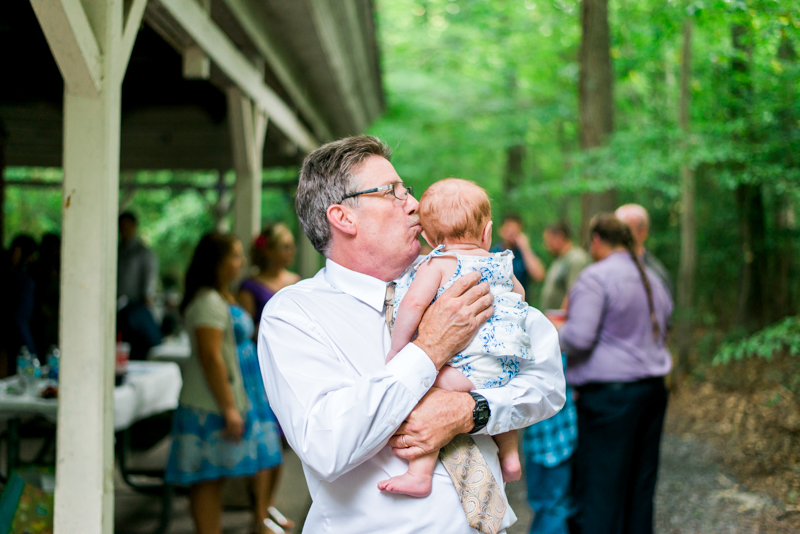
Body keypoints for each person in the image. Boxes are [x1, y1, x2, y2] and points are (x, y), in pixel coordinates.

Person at [258, 136, 566, 533]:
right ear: (343, 218)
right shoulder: (295, 314)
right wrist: (428, 349)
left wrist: (475, 410)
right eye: (392, 192)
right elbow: (327, 445)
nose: (415, 204)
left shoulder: (464, 273)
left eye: (407, 190)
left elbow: (547, 382)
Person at [380, 178, 528, 497]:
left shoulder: (437, 263)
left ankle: (420, 474)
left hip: (463, 368)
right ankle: (512, 456)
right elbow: (519, 293)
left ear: (431, 239)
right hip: (504, 365)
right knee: (496, 393)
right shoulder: (501, 262)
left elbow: (414, 304)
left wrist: (398, 348)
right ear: (487, 232)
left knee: (427, 392)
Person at [559, 214, 673, 534]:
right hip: (652, 392)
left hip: (611, 399)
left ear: (597, 240)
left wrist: (552, 332)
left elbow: (579, 337)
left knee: (600, 488)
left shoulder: (596, 277)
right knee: (640, 485)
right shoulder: (652, 276)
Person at [165, 232, 285, 534]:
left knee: (215, 473)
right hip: (210, 403)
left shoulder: (220, 296)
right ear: (216, 262)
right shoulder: (207, 302)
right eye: (234, 256)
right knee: (207, 477)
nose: (240, 262)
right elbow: (210, 358)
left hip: (225, 397)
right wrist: (230, 408)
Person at [522, 222, 587, 534]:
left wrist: (556, 326)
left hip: (559, 342)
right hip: (551, 344)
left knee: (553, 500)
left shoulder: (575, 259)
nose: (547, 244)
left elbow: (575, 298)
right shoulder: (562, 260)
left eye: (548, 238)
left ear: (559, 235)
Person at [238, 223, 300, 332]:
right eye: (286, 247)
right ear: (269, 251)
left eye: (292, 246)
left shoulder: (297, 281)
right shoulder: (250, 287)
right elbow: (245, 329)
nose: (292, 251)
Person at [117, 211, 162, 359]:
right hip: (117, 308)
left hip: (136, 306)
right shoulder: (116, 250)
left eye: (127, 226)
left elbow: (149, 282)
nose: (125, 230)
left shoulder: (143, 253)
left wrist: (148, 303)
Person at [615, 204, 673, 297]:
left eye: (623, 230)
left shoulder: (656, 275)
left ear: (642, 233)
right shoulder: (604, 268)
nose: (615, 236)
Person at [1, 235, 38, 374]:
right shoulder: (23, 281)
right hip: (15, 340)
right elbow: (20, 319)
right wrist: (30, 350)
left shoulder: (16, 277)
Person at [539, 222, 590, 312]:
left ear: (560, 237)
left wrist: (561, 319)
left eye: (548, 241)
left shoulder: (576, 258)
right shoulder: (559, 260)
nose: (546, 246)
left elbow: (573, 292)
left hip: (561, 322)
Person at [492, 214, 545, 294]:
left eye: (515, 230)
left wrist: (525, 248)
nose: (511, 234)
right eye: (508, 229)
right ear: (501, 230)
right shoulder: (493, 253)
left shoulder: (524, 254)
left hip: (521, 302)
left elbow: (539, 276)